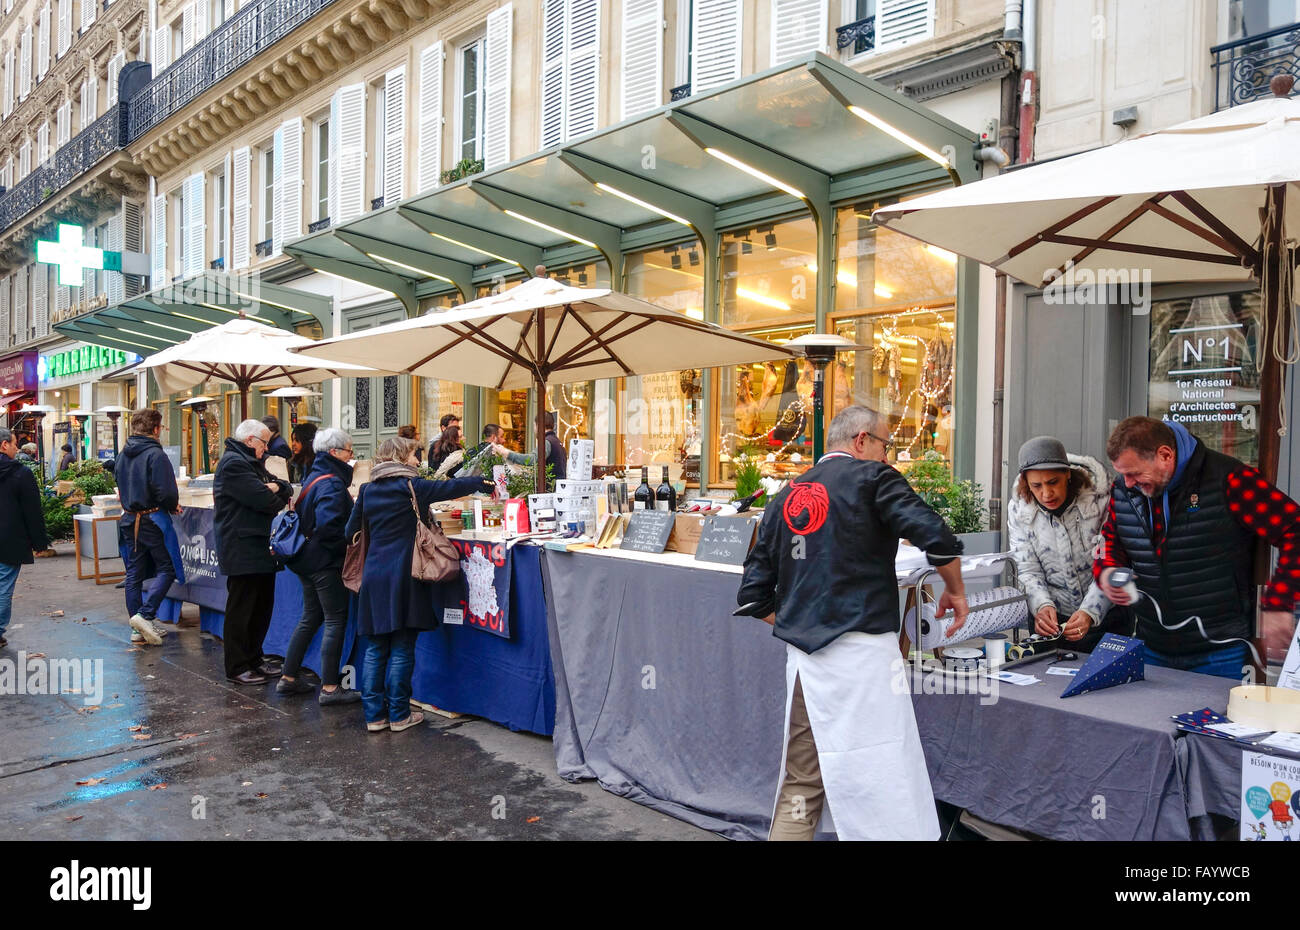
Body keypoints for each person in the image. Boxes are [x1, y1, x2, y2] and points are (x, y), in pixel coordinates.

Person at [737, 404, 968, 841]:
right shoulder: (874, 478)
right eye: (886, 445)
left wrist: (801, 623)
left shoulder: (786, 495)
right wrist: (955, 591)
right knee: (882, 782)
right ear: (862, 440)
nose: (889, 456)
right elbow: (937, 537)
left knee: (801, 784)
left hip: (805, 663)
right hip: (865, 657)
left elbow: (752, 597)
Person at [1095, 416, 1300, 678]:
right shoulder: (1124, 490)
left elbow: (1294, 530)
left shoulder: (1229, 479)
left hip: (1219, 650)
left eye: (1134, 473)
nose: (1128, 483)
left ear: (1165, 455)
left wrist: (1279, 603)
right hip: (1151, 645)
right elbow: (1108, 543)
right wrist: (1108, 572)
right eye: (1122, 474)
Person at [344, 436, 490, 732]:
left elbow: (350, 530)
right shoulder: (413, 486)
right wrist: (482, 481)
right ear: (401, 456)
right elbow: (451, 486)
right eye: (414, 455)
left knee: (375, 647)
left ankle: (374, 716)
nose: (417, 460)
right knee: (401, 646)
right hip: (407, 574)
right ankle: (399, 715)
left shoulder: (368, 490)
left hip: (374, 575)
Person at [278, 428, 361, 705]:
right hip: (324, 562)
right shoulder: (333, 483)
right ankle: (329, 688)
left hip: (306, 559)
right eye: (349, 451)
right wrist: (346, 549)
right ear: (335, 453)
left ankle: (288, 677)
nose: (352, 456)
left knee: (311, 617)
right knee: (335, 620)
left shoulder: (315, 474)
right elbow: (329, 526)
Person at [1007, 436, 1112, 651]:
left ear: (1067, 474)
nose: (1046, 493)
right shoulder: (1019, 509)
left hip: (1107, 618)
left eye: (1053, 482)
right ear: (1026, 482)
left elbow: (1113, 563)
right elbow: (1027, 568)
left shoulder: (1100, 501)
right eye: (1036, 485)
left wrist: (1091, 612)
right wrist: (1041, 606)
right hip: (1052, 624)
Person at [214, 419, 293, 684]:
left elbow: (284, 487)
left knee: (261, 605)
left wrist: (277, 487)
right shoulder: (234, 464)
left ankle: (254, 658)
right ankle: (237, 665)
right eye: (264, 443)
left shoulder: (249, 462)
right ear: (250, 440)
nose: (267, 449)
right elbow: (266, 501)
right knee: (243, 607)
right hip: (241, 546)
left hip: (258, 544)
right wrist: (275, 490)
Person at [115, 409, 184, 647]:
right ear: (156, 429)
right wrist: (172, 504)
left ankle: (137, 627)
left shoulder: (123, 454)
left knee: (134, 572)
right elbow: (165, 491)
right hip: (152, 518)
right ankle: (144, 616)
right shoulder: (156, 454)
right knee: (167, 568)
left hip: (129, 517)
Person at [0, 427, 50, 649]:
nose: (16, 448)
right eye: (13, 443)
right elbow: (33, 511)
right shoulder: (21, 473)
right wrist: (39, 543)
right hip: (9, 540)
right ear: (4, 445)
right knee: (3, 586)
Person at [487, 412, 567, 481]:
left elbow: (532, 460)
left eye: (534, 426)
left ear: (538, 425)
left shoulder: (547, 442)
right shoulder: (558, 442)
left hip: (550, 493)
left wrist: (507, 453)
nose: (534, 430)